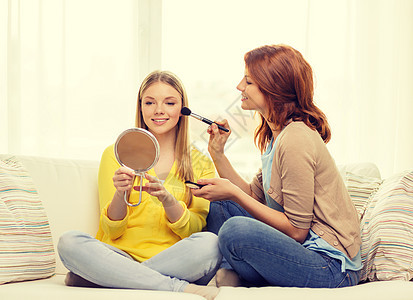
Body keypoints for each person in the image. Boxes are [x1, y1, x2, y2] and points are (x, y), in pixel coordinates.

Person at [191, 44, 362, 289]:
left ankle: (237, 273)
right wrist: (217, 153)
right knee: (220, 206)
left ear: (273, 88)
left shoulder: (296, 139)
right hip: (303, 249)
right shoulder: (277, 135)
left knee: (234, 230)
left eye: (248, 81)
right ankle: (241, 274)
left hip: (331, 266)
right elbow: (253, 196)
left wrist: (234, 192)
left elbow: (296, 230)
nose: (240, 86)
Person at [58, 70, 221, 300]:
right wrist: (120, 194)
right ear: (141, 107)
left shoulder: (201, 162)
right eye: (150, 102)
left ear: (182, 108)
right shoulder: (115, 154)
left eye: (170, 102)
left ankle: (107, 278)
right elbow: (112, 230)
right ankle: (175, 287)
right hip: (118, 255)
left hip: (175, 258)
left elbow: (194, 229)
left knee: (211, 243)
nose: (159, 110)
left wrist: (168, 200)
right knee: (70, 242)